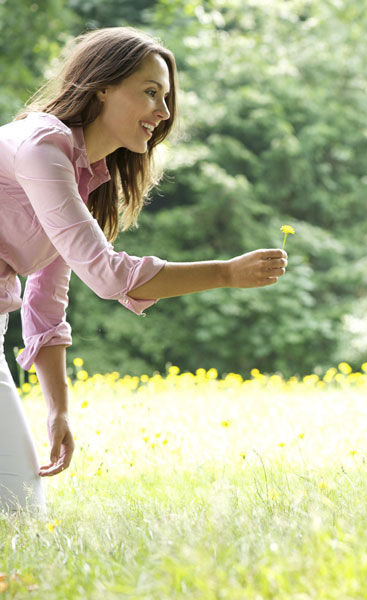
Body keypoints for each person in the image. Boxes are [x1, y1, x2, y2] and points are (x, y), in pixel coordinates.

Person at [0, 27, 289, 512]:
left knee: (19, 507)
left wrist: (58, 411)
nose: (163, 112)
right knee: (18, 507)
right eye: (151, 92)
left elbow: (46, 304)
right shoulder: (41, 147)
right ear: (103, 87)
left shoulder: (83, 176)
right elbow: (108, 275)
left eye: (167, 97)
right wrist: (224, 274)